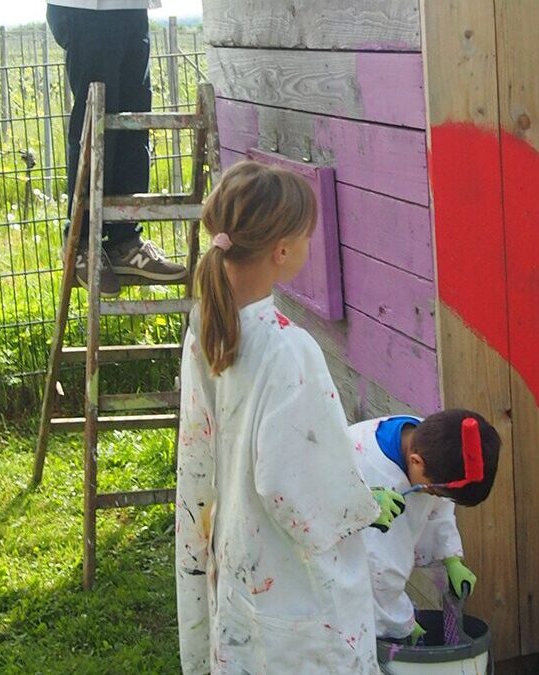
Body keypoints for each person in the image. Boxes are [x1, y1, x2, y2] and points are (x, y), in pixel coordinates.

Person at [175, 162, 407, 675]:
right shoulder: (287, 349)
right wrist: (362, 503)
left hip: (239, 564)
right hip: (292, 587)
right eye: (306, 237)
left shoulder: (207, 328)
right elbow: (298, 490)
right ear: (282, 251)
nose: (308, 245)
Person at [46, 0, 186, 298]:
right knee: (95, 127)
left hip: (132, 7)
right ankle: (83, 243)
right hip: (87, 10)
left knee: (133, 129)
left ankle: (125, 241)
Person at [349, 409, 501, 643]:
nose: (435, 496)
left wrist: (450, 557)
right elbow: (380, 569)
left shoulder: (429, 442)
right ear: (416, 462)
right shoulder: (378, 477)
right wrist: (401, 625)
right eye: (434, 490)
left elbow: (439, 506)